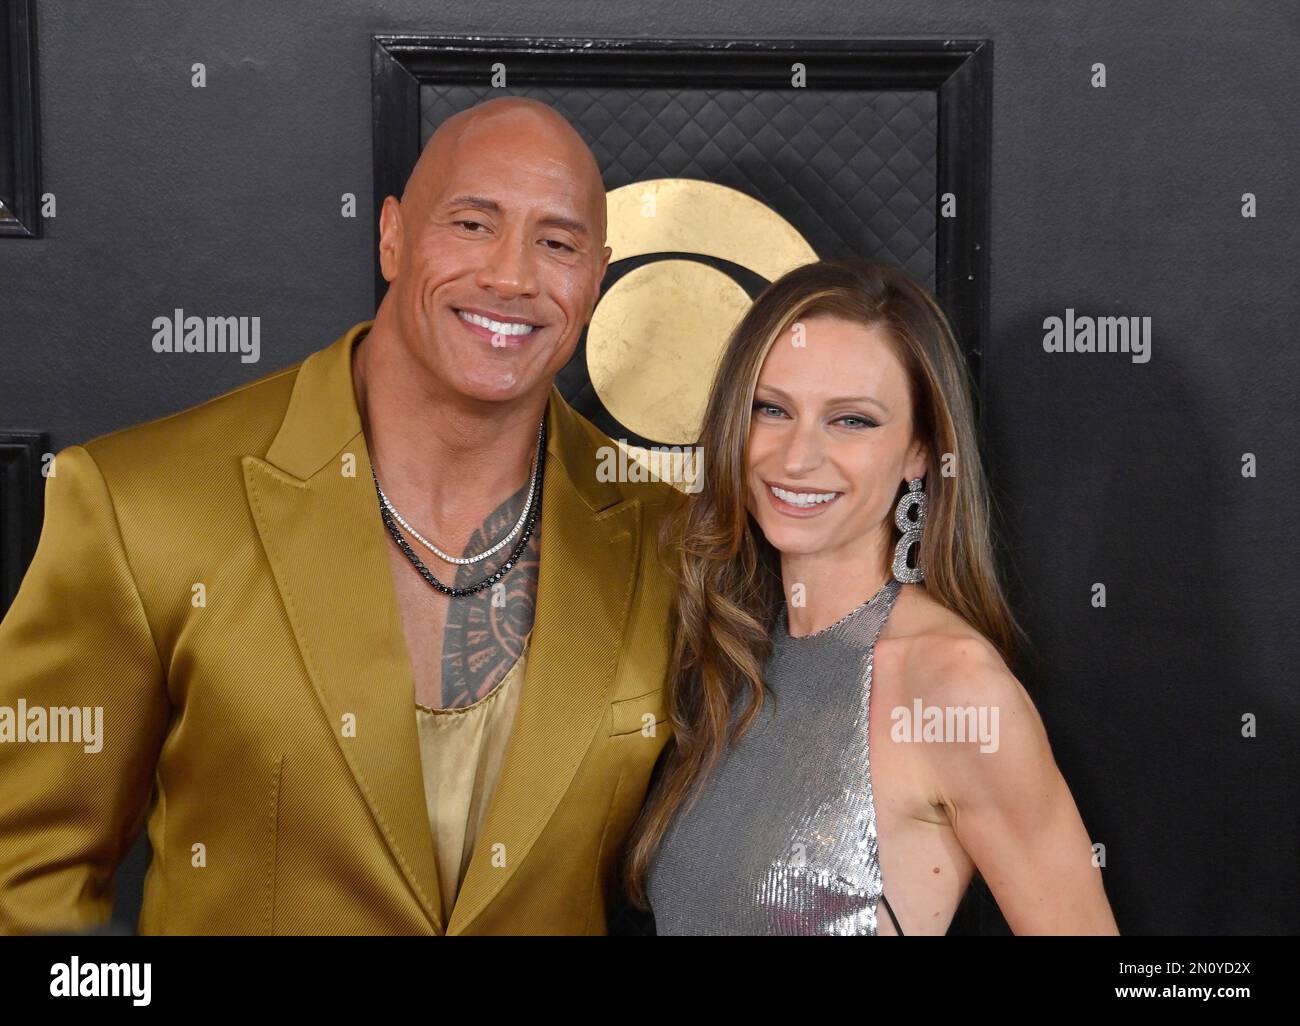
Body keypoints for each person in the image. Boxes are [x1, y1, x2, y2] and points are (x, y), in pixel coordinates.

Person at [0, 96, 678, 935]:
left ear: (597, 277)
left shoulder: (670, 539)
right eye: (471, 224)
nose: (512, 275)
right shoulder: (142, 503)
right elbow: (23, 883)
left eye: (558, 243)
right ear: (391, 235)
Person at [623, 258, 1119, 935]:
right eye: (771, 409)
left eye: (851, 421)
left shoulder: (952, 686)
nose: (796, 457)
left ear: (921, 450)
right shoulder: (734, 649)